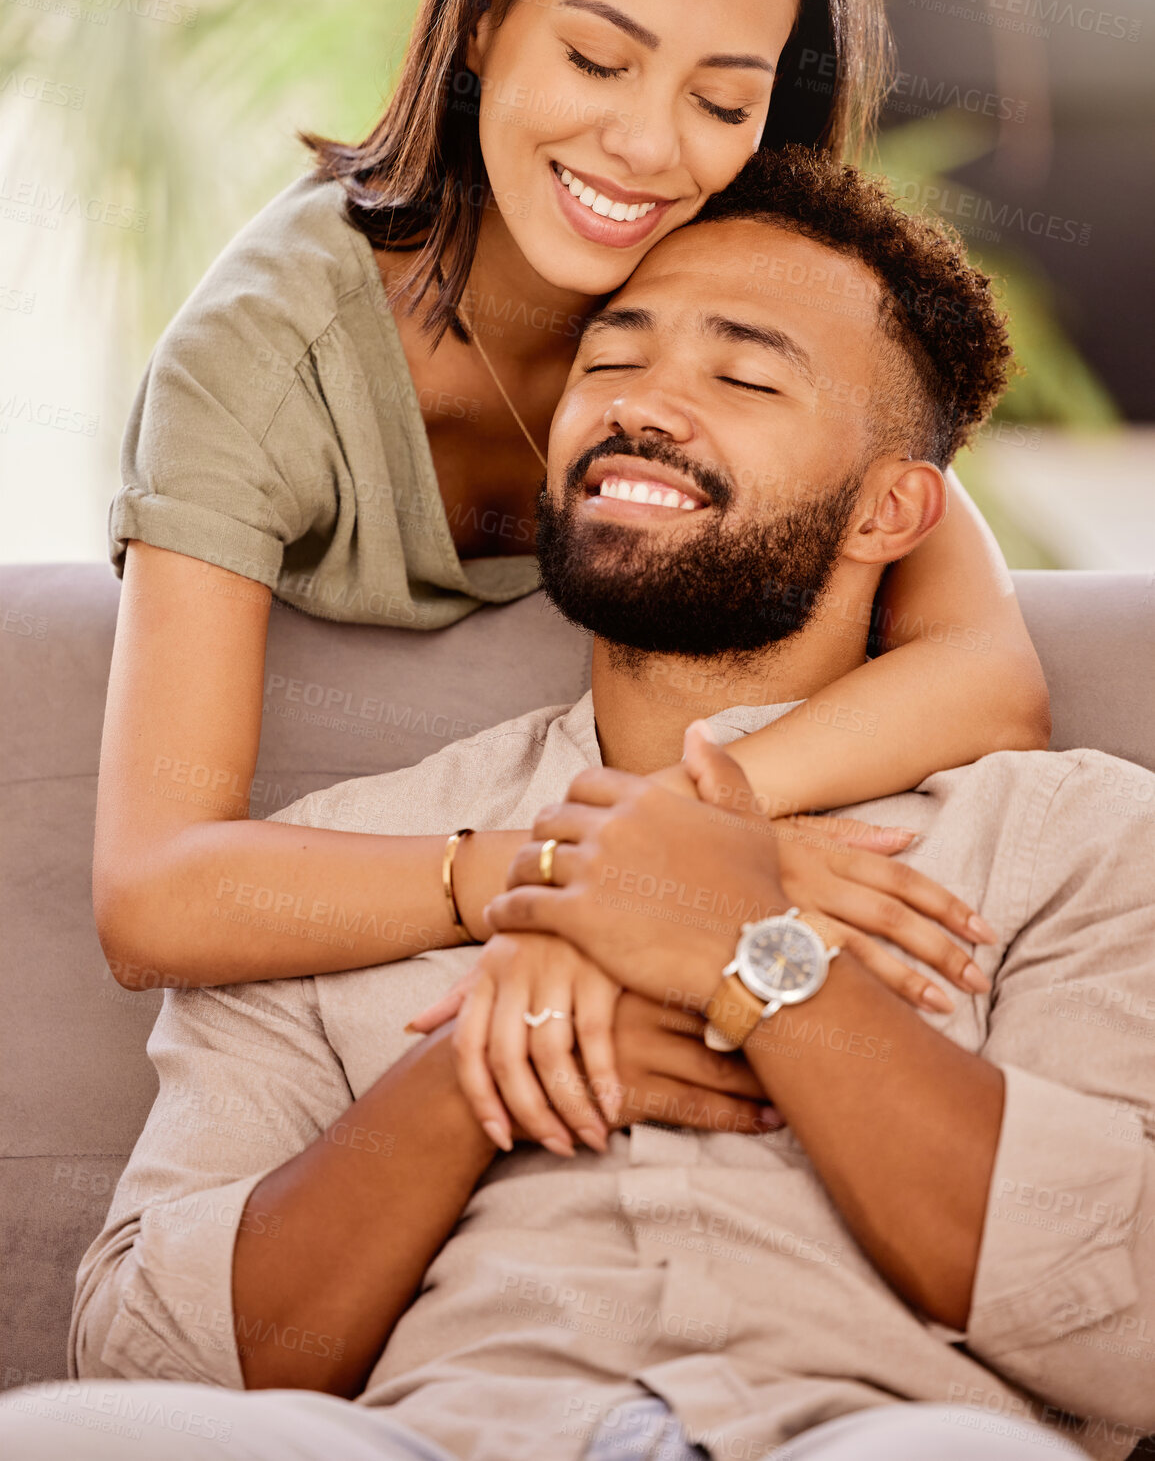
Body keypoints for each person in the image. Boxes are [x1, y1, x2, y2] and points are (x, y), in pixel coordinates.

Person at [5, 148, 1147, 1461]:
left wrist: (751, 963)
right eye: (608, 361)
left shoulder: (1069, 839)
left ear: (893, 508)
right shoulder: (348, 856)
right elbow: (149, 1346)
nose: (645, 405)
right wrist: (467, 1070)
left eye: (744, 374)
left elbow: (1123, 1322)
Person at [93, 0, 1049, 1003]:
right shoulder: (263, 359)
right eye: (600, 60)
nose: (649, 148)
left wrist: (699, 831)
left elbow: (990, 674)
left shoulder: (720, 279)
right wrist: (576, 870)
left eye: (721, 101)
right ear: (486, 21)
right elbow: (151, 893)